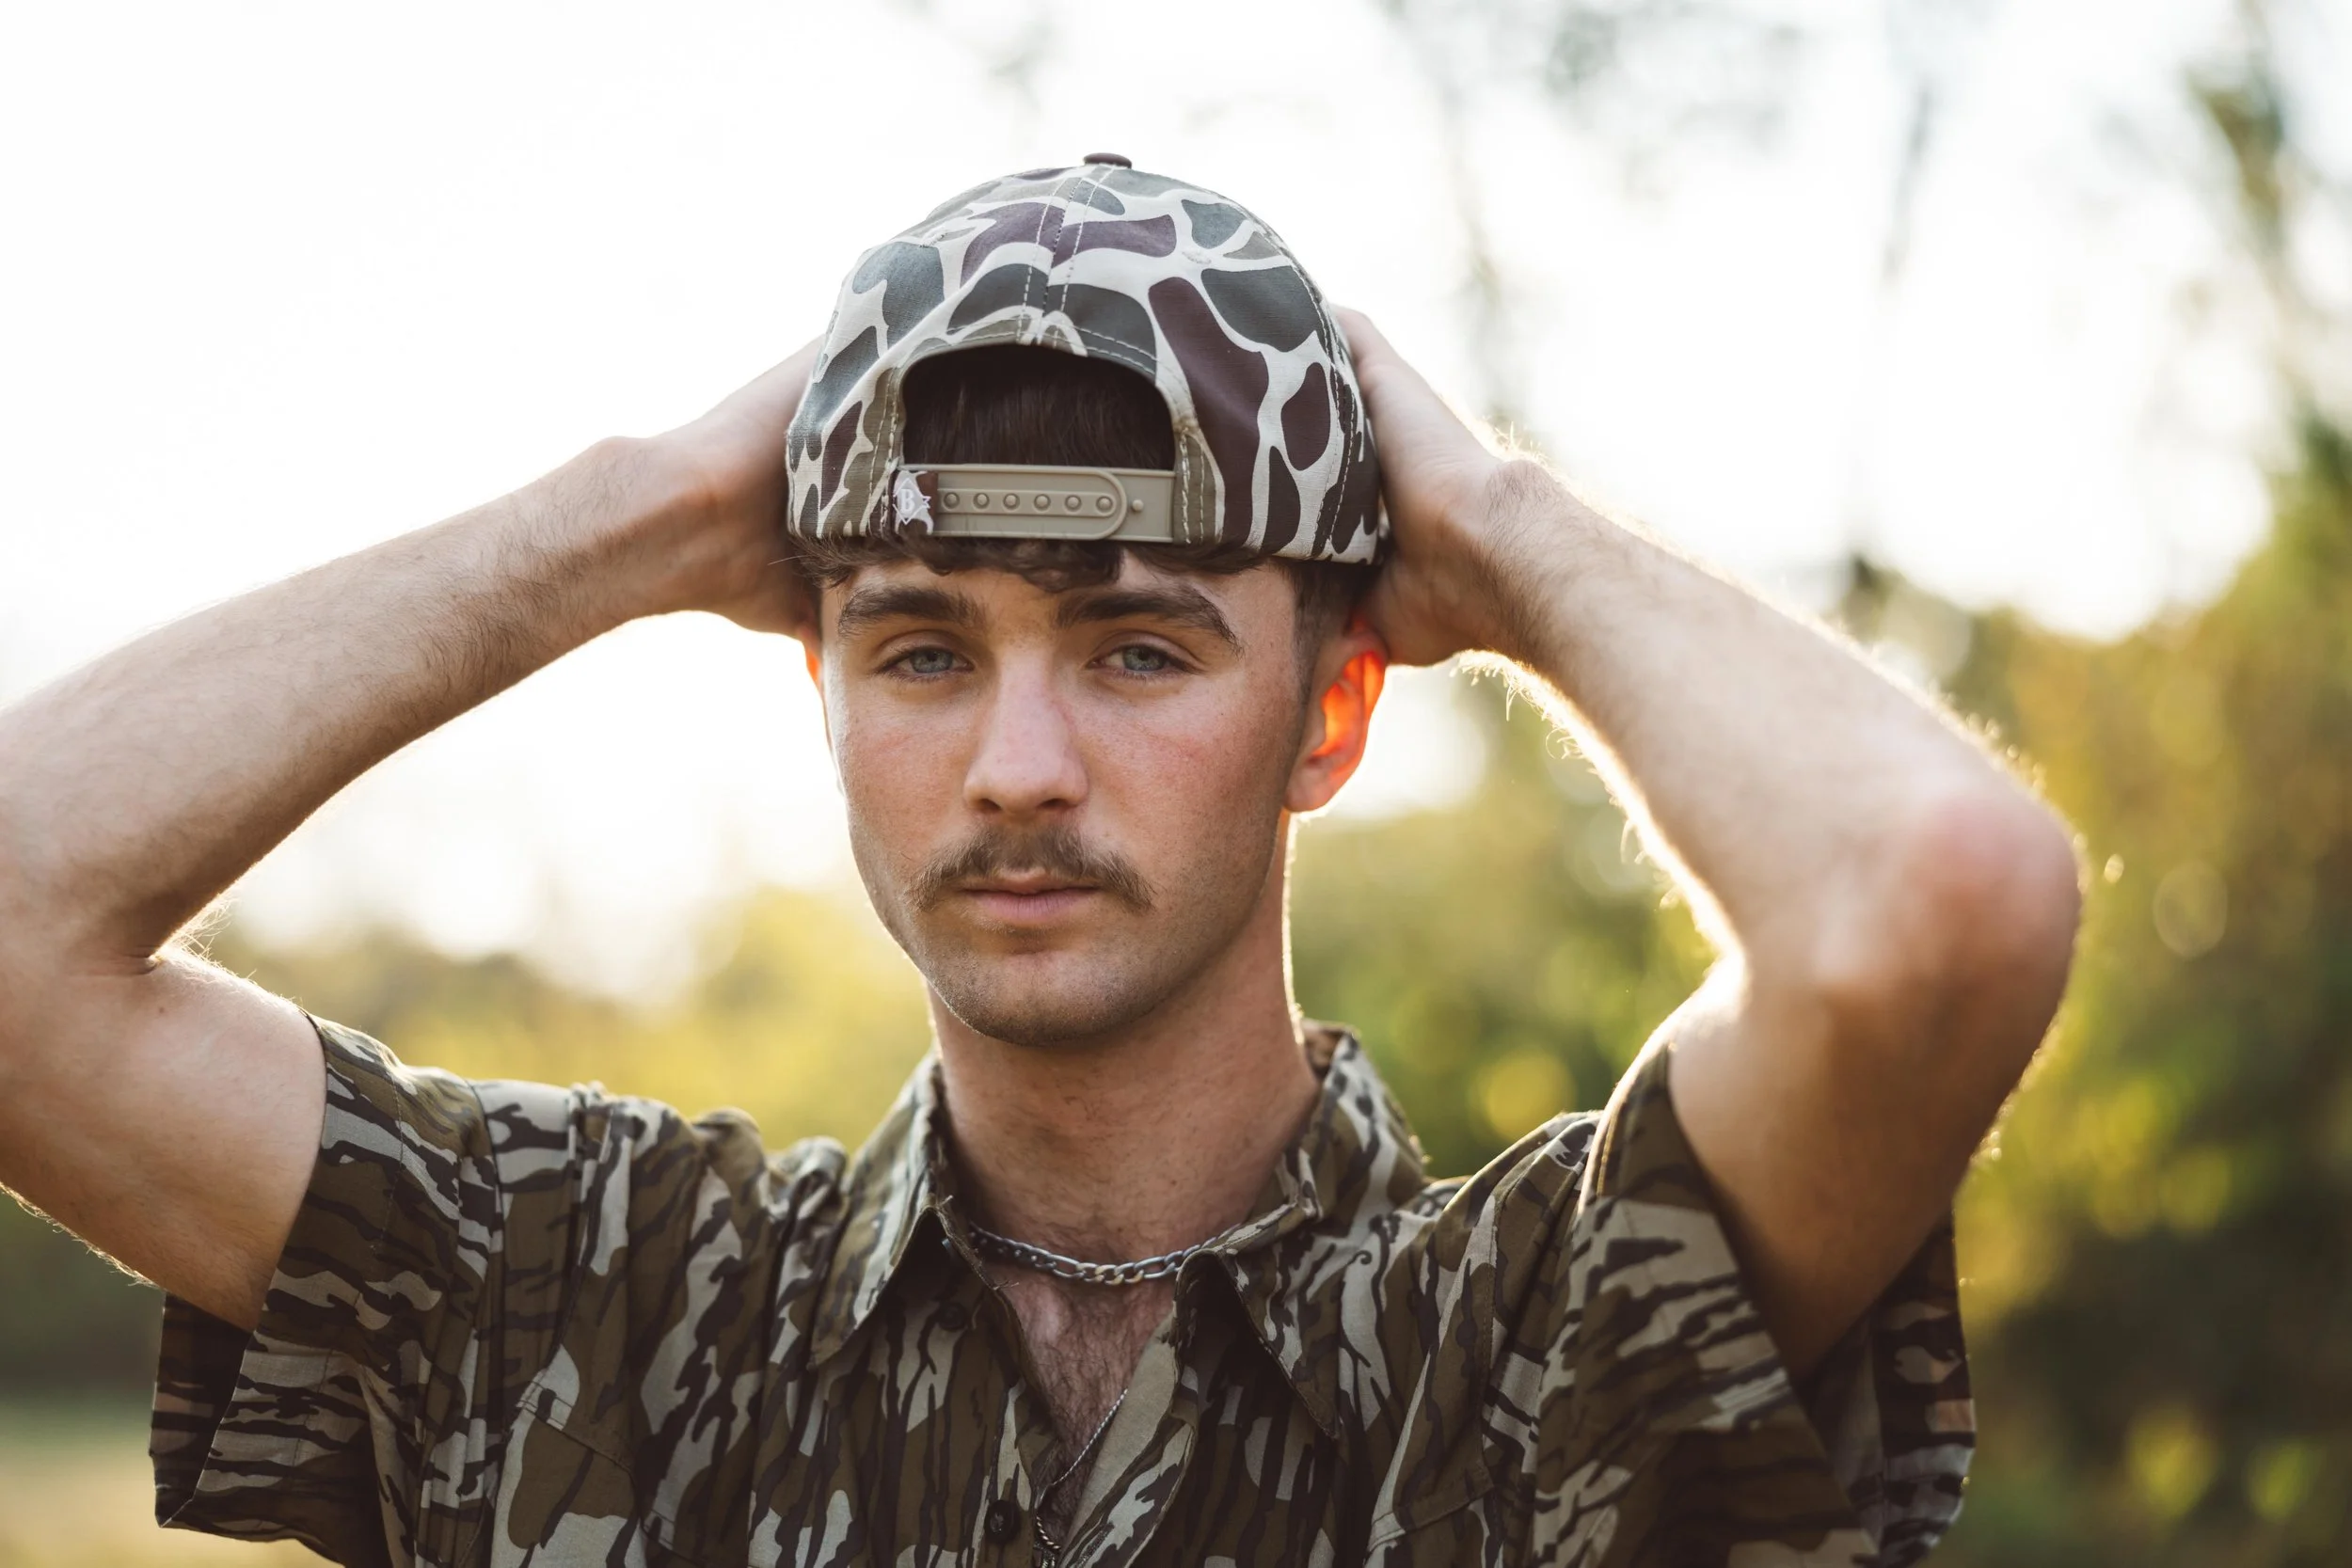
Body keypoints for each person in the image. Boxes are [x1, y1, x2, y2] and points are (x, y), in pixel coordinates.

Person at [0, 156, 2079, 1567]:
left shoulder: (1526, 1351)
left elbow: (1935, 902)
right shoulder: (608, 1308)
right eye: (917, 646)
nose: (1014, 764)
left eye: (1137, 644)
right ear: (814, 691)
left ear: (1329, 712)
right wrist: (620, 514)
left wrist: (1504, 533)